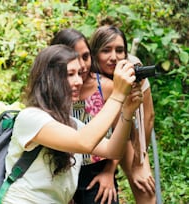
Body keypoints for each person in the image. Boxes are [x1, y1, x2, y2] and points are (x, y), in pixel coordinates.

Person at [1, 44, 143, 203]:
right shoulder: (31, 117)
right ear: (50, 78)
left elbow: (113, 150)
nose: (79, 81)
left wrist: (127, 112)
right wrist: (117, 94)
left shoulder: (72, 124)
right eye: (70, 74)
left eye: (79, 74)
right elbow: (84, 142)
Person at [51, 28, 120, 204]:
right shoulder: (52, 94)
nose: (82, 65)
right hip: (61, 172)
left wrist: (109, 172)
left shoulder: (105, 87)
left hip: (97, 172)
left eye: (86, 56)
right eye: (74, 58)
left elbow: (121, 134)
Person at [89, 25, 156, 204]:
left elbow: (148, 117)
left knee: (145, 187)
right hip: (99, 131)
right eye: (106, 50)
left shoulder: (133, 67)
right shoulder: (88, 72)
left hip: (129, 130)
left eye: (119, 50)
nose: (114, 57)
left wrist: (139, 161)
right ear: (94, 53)